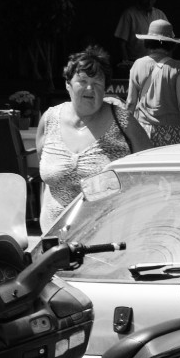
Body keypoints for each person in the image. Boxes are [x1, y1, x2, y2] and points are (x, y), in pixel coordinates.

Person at [36, 48, 147, 229]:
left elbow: (148, 173)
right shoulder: (49, 119)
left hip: (108, 234)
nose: (90, 88)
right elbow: (44, 175)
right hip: (53, 237)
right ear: (68, 84)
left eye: (97, 82)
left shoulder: (124, 122)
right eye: (82, 81)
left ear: (105, 88)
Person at [126, 19, 180, 147]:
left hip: (144, 130)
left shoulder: (137, 65)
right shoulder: (178, 67)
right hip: (174, 131)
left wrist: (125, 131)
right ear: (170, 44)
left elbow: (130, 102)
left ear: (148, 41)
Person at [113, 0, 169, 71]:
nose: (149, 2)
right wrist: (127, 63)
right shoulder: (129, 14)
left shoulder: (160, 14)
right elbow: (121, 43)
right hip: (135, 63)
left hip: (157, 63)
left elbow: (169, 41)